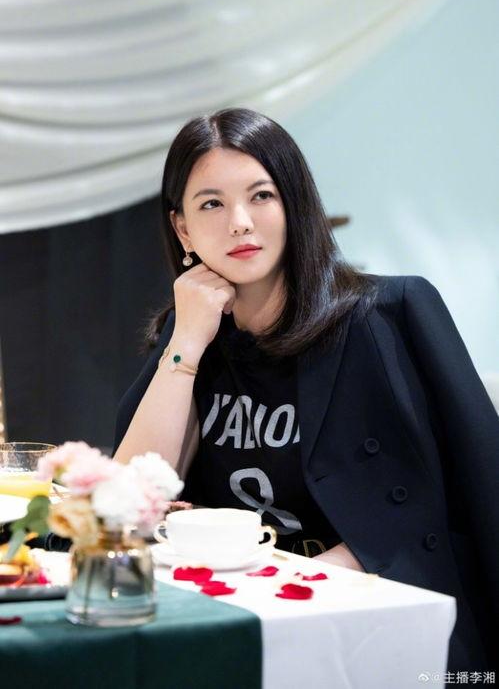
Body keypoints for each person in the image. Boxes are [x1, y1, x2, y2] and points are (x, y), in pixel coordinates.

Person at [114, 107, 499, 676]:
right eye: (212, 204)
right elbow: (126, 500)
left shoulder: (386, 315)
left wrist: (290, 582)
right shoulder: (191, 334)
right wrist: (188, 341)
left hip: (374, 622)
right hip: (239, 616)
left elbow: (449, 503)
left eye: (262, 196)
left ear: (295, 203)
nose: (239, 222)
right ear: (183, 229)